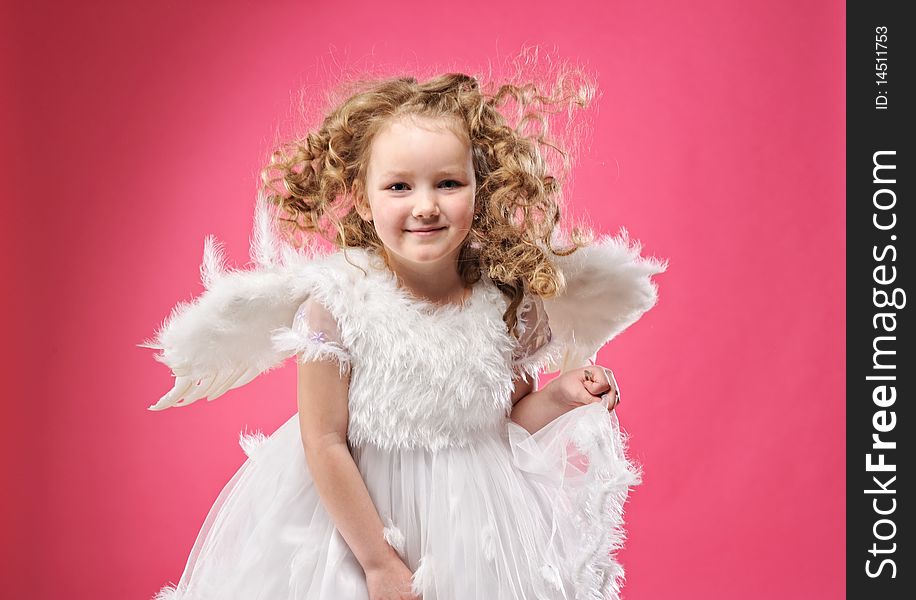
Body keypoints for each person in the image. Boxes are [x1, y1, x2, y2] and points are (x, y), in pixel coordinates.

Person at [143, 70, 667, 600]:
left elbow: (501, 427)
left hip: (473, 529)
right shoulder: (339, 305)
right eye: (398, 186)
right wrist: (377, 563)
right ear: (364, 199)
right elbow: (323, 440)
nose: (425, 206)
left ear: (479, 190)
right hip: (357, 528)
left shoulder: (504, 303)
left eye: (448, 183)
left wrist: (561, 394)